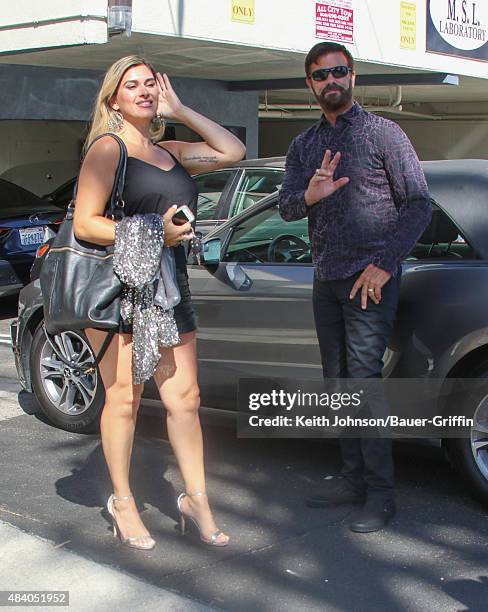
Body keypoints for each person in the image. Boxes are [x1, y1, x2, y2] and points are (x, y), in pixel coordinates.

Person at [73, 55, 245, 549]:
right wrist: (154, 231)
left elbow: (231, 150)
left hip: (169, 286)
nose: (145, 91)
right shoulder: (107, 150)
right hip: (121, 289)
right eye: (133, 86)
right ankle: (123, 502)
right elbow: (86, 222)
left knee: (185, 398)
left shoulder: (169, 151)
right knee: (124, 400)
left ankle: (195, 498)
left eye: (151, 84)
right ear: (114, 99)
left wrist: (182, 108)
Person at [278, 42, 431, 533]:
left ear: (354, 76)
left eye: (339, 72)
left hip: (370, 281)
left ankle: (381, 494)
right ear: (310, 84)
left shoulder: (383, 133)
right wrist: (309, 193)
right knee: (338, 383)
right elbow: (285, 208)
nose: (332, 81)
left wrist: (385, 265)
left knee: (363, 384)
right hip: (326, 278)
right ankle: (351, 478)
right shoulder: (304, 145)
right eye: (321, 75)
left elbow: (418, 205)